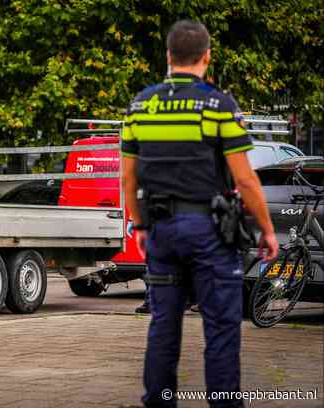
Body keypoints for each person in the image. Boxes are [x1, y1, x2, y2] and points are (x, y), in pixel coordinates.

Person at [121, 20, 279, 408]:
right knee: (222, 330)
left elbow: (127, 175)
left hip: (160, 228)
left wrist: (140, 224)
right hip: (210, 232)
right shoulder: (218, 105)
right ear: (207, 56)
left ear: (168, 57)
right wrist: (267, 230)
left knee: (163, 328)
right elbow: (244, 179)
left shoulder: (142, 105)